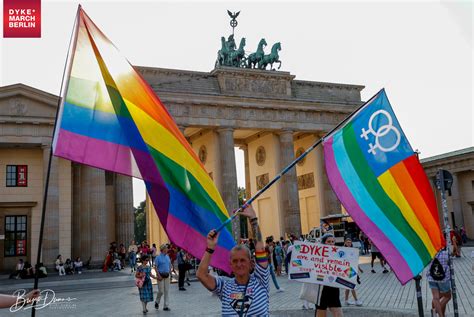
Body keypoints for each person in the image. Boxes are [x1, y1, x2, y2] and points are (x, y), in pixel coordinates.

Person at [197, 205, 270, 316]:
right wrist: (210, 248)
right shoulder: (224, 285)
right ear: (230, 265)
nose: (239, 264)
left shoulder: (260, 280)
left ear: (251, 263)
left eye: (242, 260)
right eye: (235, 261)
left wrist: (253, 220)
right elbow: (201, 275)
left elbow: (259, 248)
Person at [315, 234, 343, 317]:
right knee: (321, 314)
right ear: (324, 243)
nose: (331, 244)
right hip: (321, 289)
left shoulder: (338, 255)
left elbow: (344, 268)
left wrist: (353, 275)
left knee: (338, 314)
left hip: (333, 288)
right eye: (328, 242)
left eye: (333, 242)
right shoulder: (317, 255)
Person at [427, 248, 451, 317]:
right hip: (442, 279)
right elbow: (451, 259)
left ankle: (441, 315)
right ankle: (435, 310)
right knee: (448, 296)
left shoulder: (430, 250)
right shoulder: (446, 253)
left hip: (431, 277)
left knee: (436, 298)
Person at [343, 238, 363, 306]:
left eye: (350, 242)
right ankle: (356, 300)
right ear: (345, 243)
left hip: (351, 269)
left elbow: (355, 261)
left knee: (348, 286)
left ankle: (346, 300)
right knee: (351, 285)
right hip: (346, 269)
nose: (349, 243)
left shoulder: (353, 250)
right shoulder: (343, 250)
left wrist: (359, 269)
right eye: (348, 242)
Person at [154, 244, 172, 311]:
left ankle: (165, 306)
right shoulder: (158, 257)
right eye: (166, 248)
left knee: (166, 291)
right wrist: (158, 275)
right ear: (163, 249)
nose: (167, 249)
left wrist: (170, 273)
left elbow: (169, 265)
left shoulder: (167, 257)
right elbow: (155, 267)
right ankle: (157, 301)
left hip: (167, 276)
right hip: (160, 276)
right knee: (161, 291)